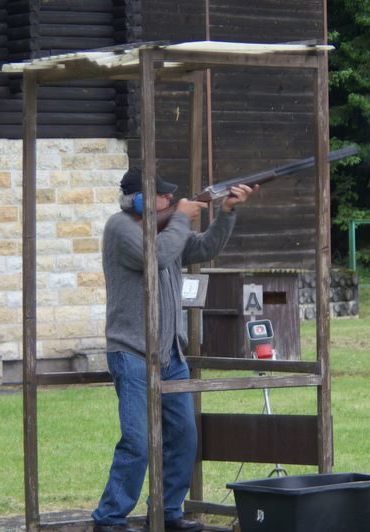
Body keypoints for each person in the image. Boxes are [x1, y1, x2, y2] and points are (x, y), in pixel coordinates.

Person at [92, 167, 255, 532]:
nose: (171, 200)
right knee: (137, 440)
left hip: (169, 356)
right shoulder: (120, 228)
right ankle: (109, 519)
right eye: (164, 196)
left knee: (183, 436)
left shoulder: (165, 229)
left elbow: (205, 247)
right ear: (139, 200)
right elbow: (159, 258)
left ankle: (166, 513)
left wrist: (226, 211)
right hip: (132, 353)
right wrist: (181, 216)